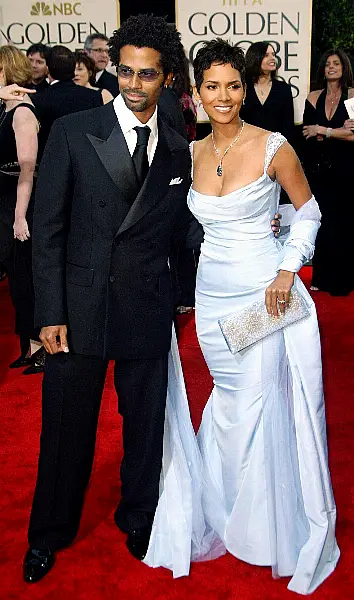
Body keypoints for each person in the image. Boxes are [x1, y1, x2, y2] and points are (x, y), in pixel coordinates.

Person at [144, 39, 339, 595]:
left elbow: (308, 212)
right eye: (212, 87)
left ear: (243, 87)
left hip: (263, 294)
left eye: (233, 85)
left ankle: (261, 526)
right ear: (196, 92)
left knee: (259, 397)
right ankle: (223, 505)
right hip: (212, 295)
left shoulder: (274, 145)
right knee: (227, 398)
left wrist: (287, 270)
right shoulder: (188, 151)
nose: (224, 96)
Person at [22, 14, 200, 584]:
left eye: (146, 75)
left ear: (166, 78)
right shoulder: (76, 130)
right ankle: (48, 533)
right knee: (66, 425)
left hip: (146, 304)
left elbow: (182, 233)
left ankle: (139, 516)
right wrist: (47, 312)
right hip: (77, 308)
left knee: (144, 424)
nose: (132, 83)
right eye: (124, 71)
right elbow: (47, 228)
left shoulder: (176, 148)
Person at [0, 46, 43, 373]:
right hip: (6, 202)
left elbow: (27, 169)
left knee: (25, 277)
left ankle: (38, 344)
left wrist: (18, 216)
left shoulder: (22, 113)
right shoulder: (4, 109)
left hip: (20, 204)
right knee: (16, 279)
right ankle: (28, 344)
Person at [302, 48, 354, 295]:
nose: (331, 67)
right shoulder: (313, 97)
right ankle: (321, 277)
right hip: (320, 169)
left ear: (344, 67)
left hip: (347, 169)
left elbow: (352, 136)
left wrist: (324, 130)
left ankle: (343, 279)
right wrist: (338, 131)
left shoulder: (353, 96)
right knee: (321, 222)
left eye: (336, 63)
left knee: (343, 222)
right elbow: (307, 133)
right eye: (327, 64)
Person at [32, 45, 105, 154]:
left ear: (47, 69)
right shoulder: (94, 96)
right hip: (87, 162)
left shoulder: (38, 100)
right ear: (73, 70)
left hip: (52, 163)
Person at [84, 33, 119, 97]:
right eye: (99, 50)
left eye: (107, 51)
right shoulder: (78, 79)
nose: (104, 55)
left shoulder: (116, 83)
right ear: (86, 52)